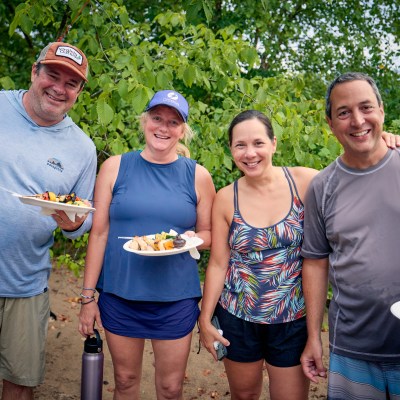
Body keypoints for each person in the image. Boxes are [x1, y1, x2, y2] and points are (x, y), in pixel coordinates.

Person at [78, 90, 216, 399]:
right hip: (120, 293)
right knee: (125, 381)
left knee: (170, 388)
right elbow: (99, 234)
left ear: (183, 130)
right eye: (157, 118)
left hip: (175, 298)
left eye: (173, 122)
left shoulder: (198, 176)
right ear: (145, 121)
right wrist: (88, 298)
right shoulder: (115, 167)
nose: (163, 128)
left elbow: (208, 235)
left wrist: (186, 239)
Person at [198, 109, 319, 400]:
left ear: (274, 144)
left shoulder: (304, 182)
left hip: (291, 318)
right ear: (231, 150)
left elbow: (353, 173)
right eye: (240, 145)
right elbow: (217, 263)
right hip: (237, 317)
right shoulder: (227, 197)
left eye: (258, 143)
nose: (250, 153)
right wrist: (204, 318)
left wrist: (386, 142)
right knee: (244, 396)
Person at [0, 42, 97, 399]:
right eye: (52, 75)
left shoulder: (82, 148)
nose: (59, 88)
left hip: (26, 284)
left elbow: (80, 222)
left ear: (79, 93)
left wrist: (73, 224)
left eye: (71, 83)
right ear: (33, 72)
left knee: (19, 383)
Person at [300, 72, 400, 399]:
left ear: (382, 111)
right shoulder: (322, 187)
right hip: (353, 347)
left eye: (366, 107)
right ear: (331, 123)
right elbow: (315, 263)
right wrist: (313, 336)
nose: (358, 120)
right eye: (344, 112)